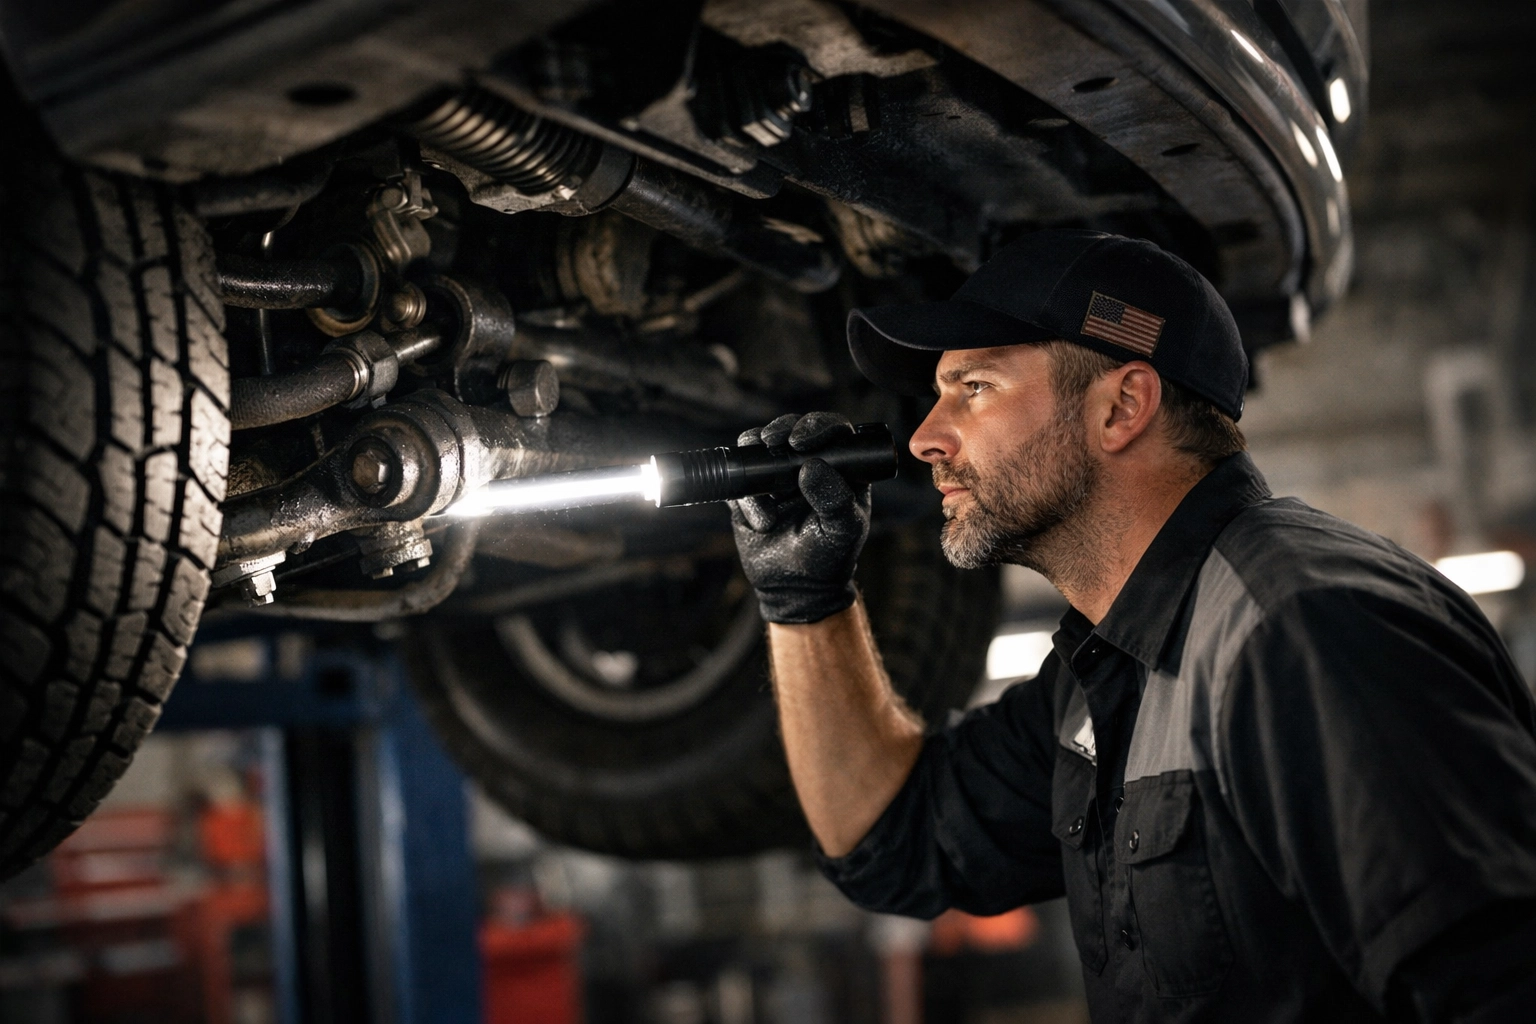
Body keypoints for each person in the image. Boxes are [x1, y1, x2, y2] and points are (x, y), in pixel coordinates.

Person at [727, 230, 1536, 1022]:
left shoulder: (1301, 629)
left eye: (974, 389)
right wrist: (805, 601)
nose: (925, 438)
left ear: (1121, 407)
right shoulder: (1107, 669)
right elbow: (894, 845)